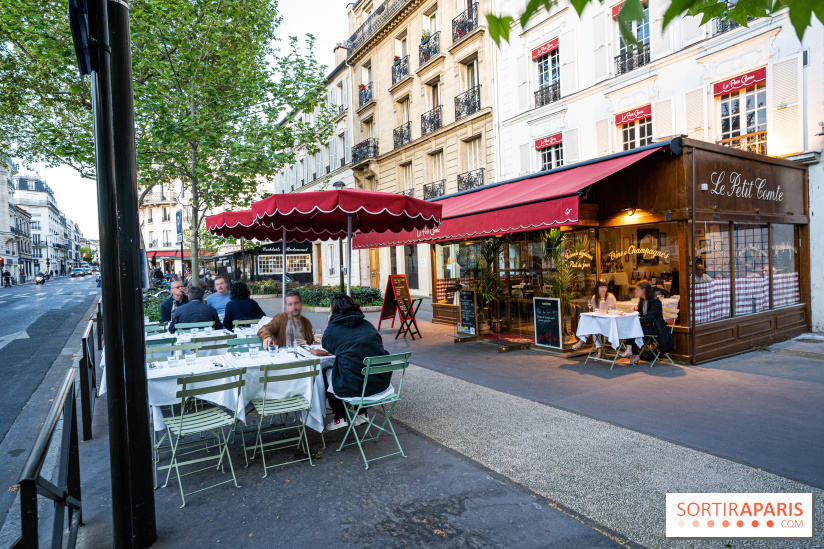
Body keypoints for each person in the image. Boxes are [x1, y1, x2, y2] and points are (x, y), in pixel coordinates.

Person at [321, 294, 390, 431]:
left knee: (329, 370)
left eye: (330, 310)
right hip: (381, 383)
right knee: (359, 366)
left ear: (334, 310)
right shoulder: (367, 325)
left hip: (354, 387)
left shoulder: (334, 329)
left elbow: (327, 346)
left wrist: (330, 323)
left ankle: (340, 417)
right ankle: (362, 413)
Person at [620, 280, 674, 364]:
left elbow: (649, 318)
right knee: (630, 327)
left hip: (656, 328)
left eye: (637, 289)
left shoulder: (655, 301)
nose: (635, 291)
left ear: (644, 290)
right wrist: (635, 310)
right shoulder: (642, 300)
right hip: (645, 325)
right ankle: (632, 353)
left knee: (632, 329)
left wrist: (637, 320)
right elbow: (641, 314)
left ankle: (631, 351)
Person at [572, 280, 616, 355]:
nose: (603, 289)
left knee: (594, 326)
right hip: (599, 322)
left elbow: (614, 311)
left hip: (609, 322)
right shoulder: (594, 298)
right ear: (597, 288)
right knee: (594, 327)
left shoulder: (610, 297)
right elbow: (595, 312)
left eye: (605, 287)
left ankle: (582, 341)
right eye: (601, 287)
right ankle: (599, 349)